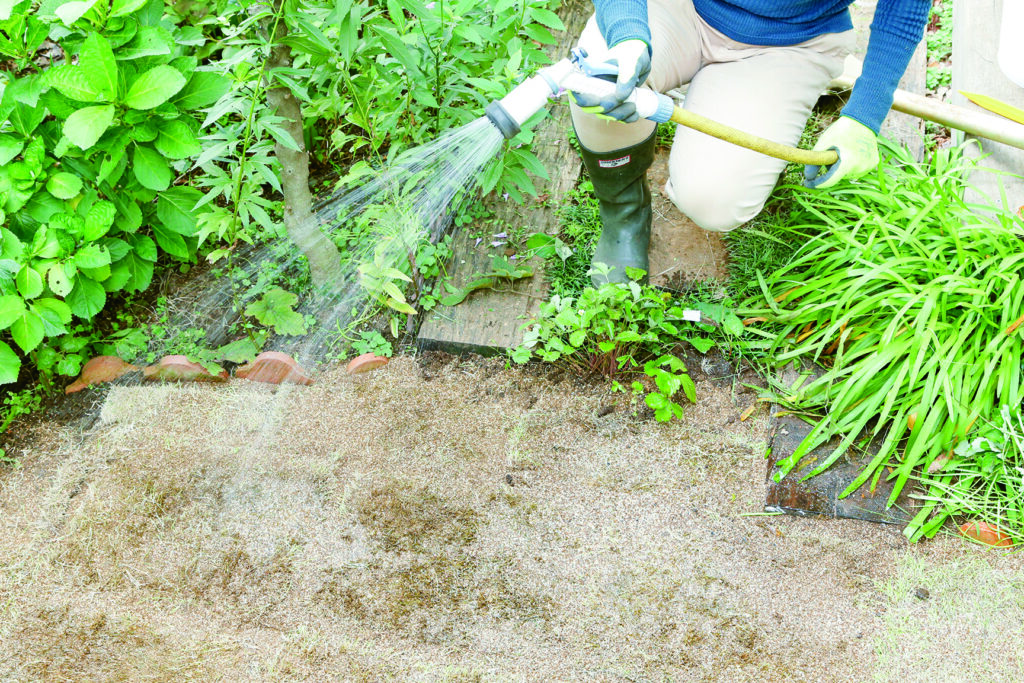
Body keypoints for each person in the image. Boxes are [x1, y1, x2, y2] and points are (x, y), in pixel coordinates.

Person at [569, 0, 931, 284]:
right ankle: (624, 215)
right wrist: (628, 33)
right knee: (599, 79)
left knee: (714, 201)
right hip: (677, 6)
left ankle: (733, 96)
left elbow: (905, 6)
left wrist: (864, 116)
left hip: (790, 39)